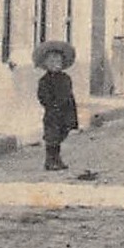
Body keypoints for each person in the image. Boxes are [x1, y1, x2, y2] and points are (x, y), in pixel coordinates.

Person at [33, 40, 79, 172]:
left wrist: (69, 109)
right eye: (51, 61)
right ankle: (50, 160)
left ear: (63, 64)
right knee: (51, 137)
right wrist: (51, 104)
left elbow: (69, 95)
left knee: (60, 135)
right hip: (52, 113)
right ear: (46, 64)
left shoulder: (65, 78)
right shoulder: (44, 80)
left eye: (58, 61)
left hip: (65, 112)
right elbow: (42, 96)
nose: (55, 64)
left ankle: (57, 159)